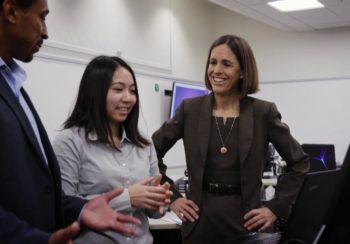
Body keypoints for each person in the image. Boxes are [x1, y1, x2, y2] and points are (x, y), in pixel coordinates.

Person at [0, 0, 141, 243]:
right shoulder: (70, 140)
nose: (46, 31)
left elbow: (45, 193)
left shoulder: (14, 84)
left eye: (132, 90)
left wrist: (83, 208)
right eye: (42, 18)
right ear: (11, 12)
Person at [152, 34, 310, 243]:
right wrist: (173, 198)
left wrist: (275, 208)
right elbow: (150, 153)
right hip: (199, 223)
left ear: (243, 72)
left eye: (226, 64)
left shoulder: (263, 112)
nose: (216, 70)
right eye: (213, 62)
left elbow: (300, 163)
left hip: (247, 223)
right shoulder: (190, 110)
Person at [52, 55, 172, 244]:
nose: (128, 98)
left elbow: (154, 213)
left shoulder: (144, 144)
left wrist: (159, 202)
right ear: (95, 92)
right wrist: (128, 198)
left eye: (132, 91)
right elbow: (63, 208)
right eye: (118, 89)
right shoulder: (70, 142)